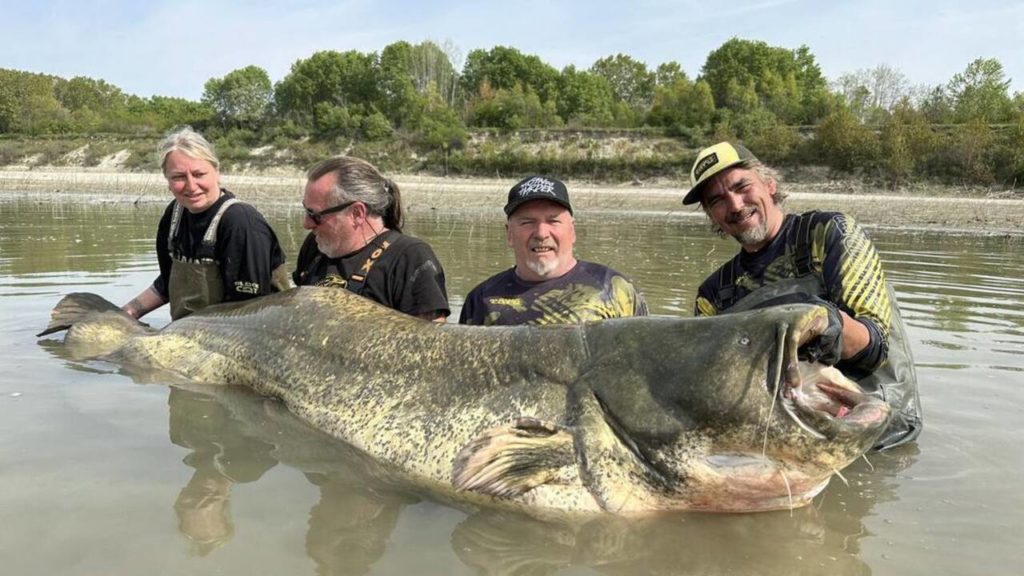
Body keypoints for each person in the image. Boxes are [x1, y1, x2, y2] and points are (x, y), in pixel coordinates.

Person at [683, 141, 921, 450]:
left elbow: (874, 346)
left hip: (877, 434)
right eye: (717, 200)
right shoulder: (713, 294)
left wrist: (827, 324)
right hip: (784, 440)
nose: (735, 205)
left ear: (769, 184)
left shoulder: (831, 234)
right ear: (712, 216)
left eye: (742, 186)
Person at [122, 126, 289, 321]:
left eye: (199, 174)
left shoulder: (241, 223)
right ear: (167, 180)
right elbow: (167, 283)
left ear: (217, 172)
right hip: (190, 330)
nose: (191, 186)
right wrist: (127, 313)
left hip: (250, 329)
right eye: (178, 177)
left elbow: (250, 310)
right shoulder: (174, 215)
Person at [459, 175, 648, 326]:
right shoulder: (481, 298)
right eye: (527, 222)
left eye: (553, 221)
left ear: (572, 231)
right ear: (509, 234)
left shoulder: (614, 288)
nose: (541, 233)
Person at [293, 156, 450, 322]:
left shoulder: (409, 258)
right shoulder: (315, 246)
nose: (307, 224)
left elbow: (432, 340)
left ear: (357, 214)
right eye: (306, 210)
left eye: (315, 215)